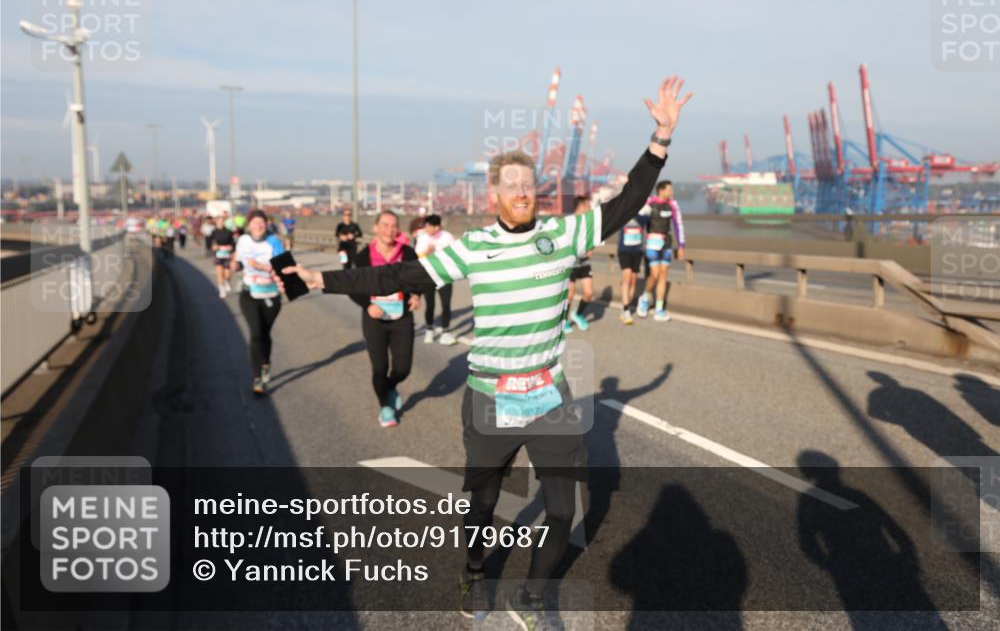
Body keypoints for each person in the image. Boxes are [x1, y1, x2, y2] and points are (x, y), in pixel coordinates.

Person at [277, 75, 690, 627]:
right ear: (494, 195)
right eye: (511, 186)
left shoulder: (564, 236)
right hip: (490, 399)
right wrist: (318, 280)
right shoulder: (473, 248)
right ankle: (473, 571)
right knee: (481, 506)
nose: (522, 192)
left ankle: (535, 593)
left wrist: (659, 138)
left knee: (564, 510)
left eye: (529, 185)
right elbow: (399, 274)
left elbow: (627, 202)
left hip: (546, 394)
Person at [347, 210, 421, 427]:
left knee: (403, 368)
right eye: (385, 225)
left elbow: (421, 278)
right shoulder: (363, 257)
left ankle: (390, 386)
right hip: (375, 319)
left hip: (401, 317)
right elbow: (352, 287)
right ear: (375, 228)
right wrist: (367, 305)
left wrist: (416, 294)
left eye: (394, 225)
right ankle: (385, 407)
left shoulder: (407, 253)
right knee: (379, 368)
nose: (390, 230)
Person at [232, 210, 285, 395]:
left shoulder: (274, 242)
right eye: (254, 222)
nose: (258, 226)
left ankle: (265, 362)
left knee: (265, 333)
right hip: (249, 294)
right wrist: (235, 265)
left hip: (271, 295)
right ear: (249, 225)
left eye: (261, 222)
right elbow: (238, 262)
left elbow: (284, 269)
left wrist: (262, 266)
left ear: (266, 224)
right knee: (255, 333)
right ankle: (257, 378)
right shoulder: (243, 241)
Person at [636, 180, 686, 321]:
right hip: (652, 244)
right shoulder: (649, 202)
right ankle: (645, 298)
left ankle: (659, 309)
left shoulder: (673, 205)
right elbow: (639, 219)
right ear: (661, 190)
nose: (672, 192)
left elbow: (678, 225)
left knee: (663, 275)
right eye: (669, 190)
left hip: (666, 244)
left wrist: (681, 246)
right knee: (655, 274)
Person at [415, 214, 457, 345]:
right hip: (429, 276)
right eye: (425, 225)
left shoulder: (448, 237)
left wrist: (445, 252)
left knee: (446, 305)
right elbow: (419, 256)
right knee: (430, 304)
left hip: (445, 275)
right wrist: (427, 252)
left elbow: (456, 254)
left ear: (437, 227)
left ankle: (446, 332)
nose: (426, 228)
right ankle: (429, 329)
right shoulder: (422, 238)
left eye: (428, 226)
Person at [564, 196, 595, 332]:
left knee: (588, 293)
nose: (590, 208)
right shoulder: (568, 222)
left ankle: (578, 314)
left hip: (584, 263)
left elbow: (593, 239)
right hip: (570, 264)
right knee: (570, 294)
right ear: (581, 206)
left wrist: (591, 248)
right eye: (588, 205)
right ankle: (564, 321)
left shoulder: (588, 223)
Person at [617, 210, 647, 324]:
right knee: (627, 277)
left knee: (633, 281)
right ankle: (625, 310)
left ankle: (626, 306)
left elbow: (650, 225)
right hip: (624, 251)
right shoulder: (623, 215)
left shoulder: (642, 217)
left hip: (637, 251)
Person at [209, 215, 237, 298]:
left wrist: (231, 247)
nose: (220, 222)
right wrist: (213, 246)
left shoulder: (228, 232)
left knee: (227, 274)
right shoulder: (214, 232)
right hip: (218, 254)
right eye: (219, 221)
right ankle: (221, 289)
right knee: (219, 273)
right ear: (216, 222)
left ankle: (226, 281)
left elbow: (233, 243)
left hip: (227, 254)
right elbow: (210, 242)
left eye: (222, 221)